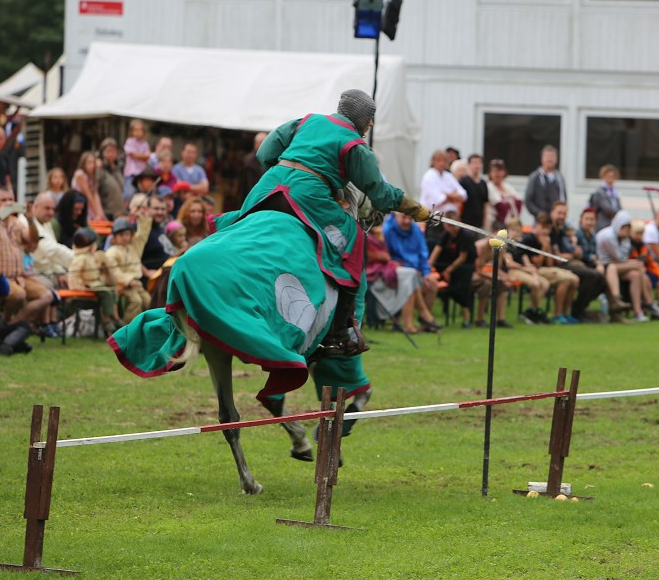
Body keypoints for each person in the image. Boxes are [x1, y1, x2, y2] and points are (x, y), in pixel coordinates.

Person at [111, 90, 431, 403]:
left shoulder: (305, 121)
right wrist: (416, 209)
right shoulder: (356, 146)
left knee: (242, 228)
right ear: (367, 121)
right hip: (311, 197)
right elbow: (377, 193)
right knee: (353, 245)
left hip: (268, 188)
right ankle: (345, 331)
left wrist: (287, 171)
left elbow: (266, 152)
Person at [0, 189, 53, 325]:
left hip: (19, 277)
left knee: (47, 296)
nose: (8, 203)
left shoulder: (17, 223)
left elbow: (32, 241)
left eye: (10, 200)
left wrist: (31, 220)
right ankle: (7, 321)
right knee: (19, 294)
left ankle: (11, 325)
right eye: (4, 200)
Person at [383, 211, 441, 333]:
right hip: (394, 273)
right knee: (410, 279)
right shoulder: (387, 230)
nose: (407, 221)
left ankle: (424, 323)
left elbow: (422, 253)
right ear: (395, 216)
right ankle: (412, 322)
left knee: (432, 284)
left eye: (410, 218)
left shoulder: (416, 230)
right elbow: (384, 255)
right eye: (404, 217)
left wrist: (426, 273)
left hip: (415, 271)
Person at [549, 201, 607, 323]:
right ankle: (576, 310)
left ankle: (579, 309)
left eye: (564, 214)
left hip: (571, 263)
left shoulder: (565, 230)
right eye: (559, 213)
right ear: (552, 213)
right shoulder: (550, 230)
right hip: (562, 264)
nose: (561, 216)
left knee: (601, 278)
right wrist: (573, 254)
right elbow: (556, 255)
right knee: (593, 275)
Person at [519, 211, 579, 323]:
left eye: (548, 228)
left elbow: (550, 263)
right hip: (534, 270)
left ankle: (564, 313)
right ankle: (554, 314)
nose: (546, 231)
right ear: (536, 225)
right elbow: (536, 263)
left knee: (574, 279)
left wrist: (548, 248)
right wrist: (543, 248)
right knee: (566, 279)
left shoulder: (547, 239)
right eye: (543, 227)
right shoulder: (529, 239)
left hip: (547, 269)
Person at [594, 210, 649, 323]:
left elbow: (622, 257)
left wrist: (625, 241)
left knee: (635, 274)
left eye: (628, 228)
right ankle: (646, 301)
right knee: (638, 265)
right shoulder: (607, 236)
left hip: (615, 265)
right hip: (605, 266)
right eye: (624, 227)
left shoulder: (624, 238)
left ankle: (638, 311)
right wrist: (625, 242)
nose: (626, 230)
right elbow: (620, 257)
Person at [68, 227, 122, 330]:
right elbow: (73, 275)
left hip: (96, 283)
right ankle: (106, 320)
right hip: (88, 285)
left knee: (113, 291)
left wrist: (104, 270)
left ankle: (115, 317)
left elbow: (96, 271)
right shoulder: (80, 258)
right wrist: (79, 286)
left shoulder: (92, 256)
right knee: (106, 293)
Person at [105, 216, 152, 324]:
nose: (125, 238)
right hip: (122, 285)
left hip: (136, 284)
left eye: (127, 234)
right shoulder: (112, 252)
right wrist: (129, 280)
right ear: (114, 237)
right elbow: (114, 271)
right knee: (136, 301)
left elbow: (142, 235)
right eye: (121, 235)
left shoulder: (132, 248)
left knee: (148, 301)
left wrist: (143, 218)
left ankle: (148, 325)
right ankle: (127, 326)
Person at [430, 220, 477, 328]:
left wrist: (449, 271)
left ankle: (466, 319)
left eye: (453, 225)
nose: (451, 228)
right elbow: (437, 250)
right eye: (449, 225)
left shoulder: (465, 236)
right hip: (447, 264)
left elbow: (462, 257)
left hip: (464, 267)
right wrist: (429, 265)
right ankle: (429, 319)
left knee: (462, 291)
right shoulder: (445, 235)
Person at [502, 219, 550, 325]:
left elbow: (526, 261)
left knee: (545, 284)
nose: (516, 233)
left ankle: (531, 310)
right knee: (535, 284)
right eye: (513, 230)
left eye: (519, 231)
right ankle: (535, 311)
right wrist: (525, 268)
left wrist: (533, 272)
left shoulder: (520, 245)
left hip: (522, 270)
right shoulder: (505, 245)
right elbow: (510, 264)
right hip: (512, 271)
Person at [419, 149, 466, 248]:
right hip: (434, 221)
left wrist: (446, 195)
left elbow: (463, 195)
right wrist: (452, 196)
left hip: (450, 220)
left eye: (445, 160)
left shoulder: (448, 176)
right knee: (434, 246)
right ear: (433, 161)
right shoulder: (429, 176)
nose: (442, 163)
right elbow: (436, 200)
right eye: (439, 160)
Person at [30, 192, 73, 289]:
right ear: (35, 207)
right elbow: (52, 251)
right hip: (35, 274)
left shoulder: (46, 223)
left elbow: (54, 253)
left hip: (51, 273)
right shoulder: (27, 223)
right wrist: (79, 259)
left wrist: (60, 272)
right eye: (47, 208)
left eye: (53, 209)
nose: (51, 213)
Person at [523, 145, 566, 219]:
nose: (550, 158)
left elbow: (563, 198)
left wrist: (561, 212)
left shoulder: (560, 178)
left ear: (557, 159)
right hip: (540, 219)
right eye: (547, 156)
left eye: (552, 156)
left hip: (557, 218)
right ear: (541, 159)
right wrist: (538, 213)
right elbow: (528, 200)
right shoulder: (535, 177)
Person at [72, 150, 107, 221]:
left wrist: (101, 213)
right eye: (89, 163)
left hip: (89, 205)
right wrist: (97, 213)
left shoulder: (92, 176)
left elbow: (95, 194)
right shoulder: (80, 174)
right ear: (83, 163)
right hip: (81, 204)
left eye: (93, 163)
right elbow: (88, 194)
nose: (92, 166)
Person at [486, 158, 522, 228]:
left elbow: (519, 201)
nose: (497, 174)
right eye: (495, 171)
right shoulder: (489, 187)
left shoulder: (508, 186)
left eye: (500, 171)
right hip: (494, 225)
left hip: (511, 225)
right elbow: (500, 205)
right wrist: (510, 200)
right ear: (490, 173)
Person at [97, 138, 126, 219]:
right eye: (108, 151)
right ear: (102, 153)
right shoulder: (100, 169)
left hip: (120, 211)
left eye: (113, 151)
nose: (111, 154)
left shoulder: (118, 169)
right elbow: (95, 191)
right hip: (106, 211)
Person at [458, 153, 489, 229]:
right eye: (474, 163)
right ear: (469, 165)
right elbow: (458, 203)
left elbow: (485, 205)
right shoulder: (463, 181)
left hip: (479, 224)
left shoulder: (483, 183)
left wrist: (485, 223)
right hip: (465, 223)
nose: (477, 165)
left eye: (479, 163)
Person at [588, 164, 622, 230]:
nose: (610, 179)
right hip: (602, 224)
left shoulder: (615, 191)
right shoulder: (599, 192)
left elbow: (619, 206)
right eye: (608, 176)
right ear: (603, 176)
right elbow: (607, 209)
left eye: (612, 176)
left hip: (613, 223)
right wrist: (619, 214)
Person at [123, 118, 152, 185]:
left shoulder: (145, 144)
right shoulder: (129, 141)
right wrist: (142, 156)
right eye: (135, 130)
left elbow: (148, 156)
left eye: (140, 130)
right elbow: (132, 154)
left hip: (142, 173)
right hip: (131, 173)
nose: (137, 132)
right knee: (129, 193)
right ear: (131, 131)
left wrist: (138, 156)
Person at [240, 131, 267, 200]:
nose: (264, 145)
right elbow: (248, 186)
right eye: (261, 142)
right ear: (256, 144)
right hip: (252, 197)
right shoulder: (249, 160)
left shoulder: (269, 158)